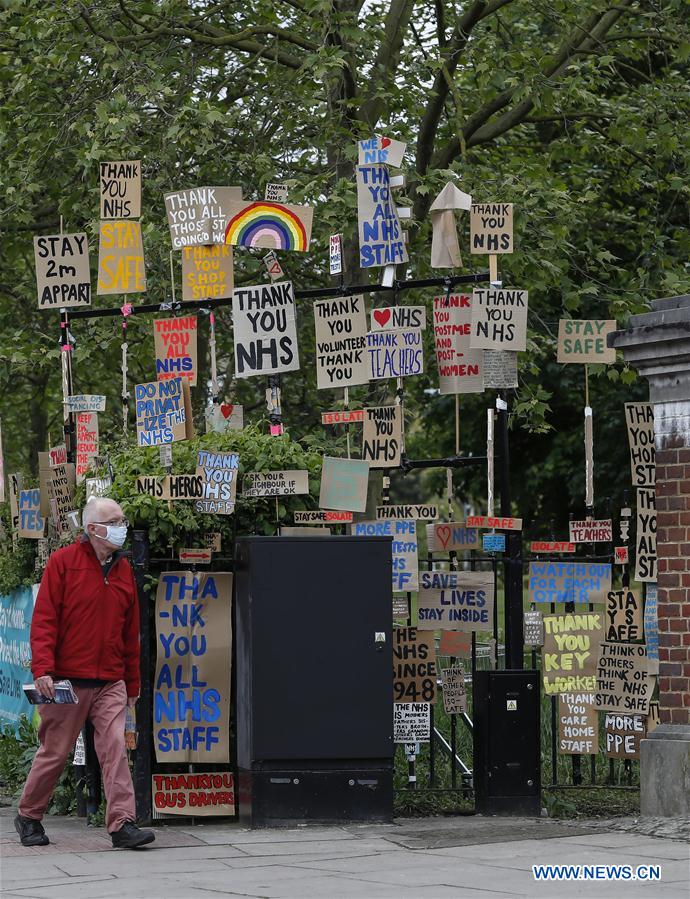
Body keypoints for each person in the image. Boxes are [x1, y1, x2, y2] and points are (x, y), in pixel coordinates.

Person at [15, 497, 155, 849]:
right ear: (93, 529)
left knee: (114, 749)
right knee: (56, 751)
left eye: (123, 518)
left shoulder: (123, 570)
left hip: (110, 680)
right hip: (66, 680)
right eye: (115, 520)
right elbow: (44, 621)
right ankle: (28, 815)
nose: (122, 525)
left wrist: (132, 683)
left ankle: (122, 823)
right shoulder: (63, 563)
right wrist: (43, 669)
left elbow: (130, 632)